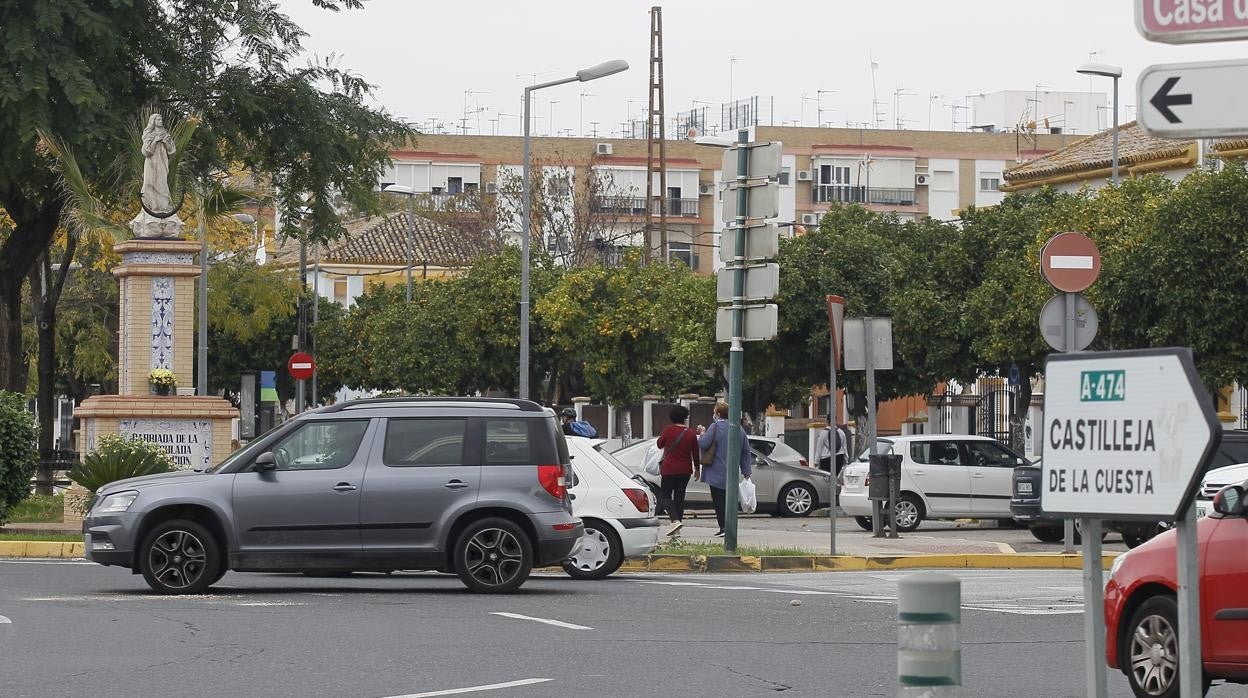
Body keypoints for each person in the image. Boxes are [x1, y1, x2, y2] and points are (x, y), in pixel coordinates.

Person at [696, 401, 753, 538]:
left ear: (718, 414)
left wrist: (702, 433)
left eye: (715, 412)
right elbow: (746, 451)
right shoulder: (739, 429)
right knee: (730, 502)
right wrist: (746, 472)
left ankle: (723, 527)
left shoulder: (715, 427)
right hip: (732, 473)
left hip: (716, 472)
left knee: (719, 501)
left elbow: (703, 444)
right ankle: (730, 526)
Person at [655, 405, 699, 537]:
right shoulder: (691, 433)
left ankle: (675, 521)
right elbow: (695, 453)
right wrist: (697, 468)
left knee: (664, 496)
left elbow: (659, 444)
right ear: (685, 418)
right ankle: (677, 530)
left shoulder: (668, 430)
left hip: (669, 470)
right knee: (679, 498)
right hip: (685, 470)